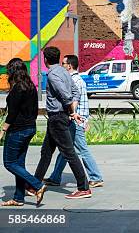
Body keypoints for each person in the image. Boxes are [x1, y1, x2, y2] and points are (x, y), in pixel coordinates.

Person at [34, 46, 91, 199]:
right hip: (58, 117)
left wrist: (72, 112)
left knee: (69, 153)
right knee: (46, 152)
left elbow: (65, 96)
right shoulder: (64, 72)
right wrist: (73, 111)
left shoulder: (53, 75)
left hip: (57, 118)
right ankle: (34, 184)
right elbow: (75, 93)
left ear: (45, 60)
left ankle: (84, 188)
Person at [45, 55, 104, 188]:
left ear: (69, 66)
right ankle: (55, 177)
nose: (62, 65)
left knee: (81, 150)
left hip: (75, 120)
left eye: (63, 63)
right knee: (65, 150)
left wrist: (73, 115)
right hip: (76, 119)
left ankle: (96, 177)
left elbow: (72, 101)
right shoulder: (76, 79)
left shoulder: (75, 80)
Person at [0, 58, 46, 207]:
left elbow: (12, 114)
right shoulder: (30, 86)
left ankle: (37, 185)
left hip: (17, 130)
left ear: (12, 71)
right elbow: (34, 110)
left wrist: (3, 130)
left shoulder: (17, 89)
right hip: (29, 128)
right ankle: (18, 198)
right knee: (19, 164)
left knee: (9, 163)